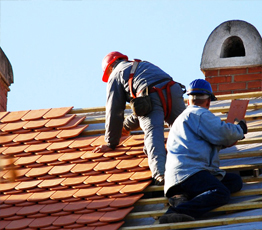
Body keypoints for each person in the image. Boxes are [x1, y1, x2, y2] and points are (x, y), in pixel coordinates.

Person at [159, 79, 247, 223]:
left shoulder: (184, 119)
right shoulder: (199, 114)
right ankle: (175, 212)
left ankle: (185, 198)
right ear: (208, 102)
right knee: (221, 193)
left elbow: (210, 141)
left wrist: (227, 140)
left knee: (234, 181)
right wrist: (239, 129)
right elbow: (222, 132)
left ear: (189, 100)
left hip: (180, 176)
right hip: (190, 173)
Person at [92, 51, 186, 185]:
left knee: (153, 134)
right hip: (173, 90)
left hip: (151, 96)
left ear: (110, 68)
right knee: (185, 129)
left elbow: (114, 110)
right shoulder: (142, 65)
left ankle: (161, 175)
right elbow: (144, 108)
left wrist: (111, 142)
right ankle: (195, 163)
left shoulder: (115, 74)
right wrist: (125, 127)